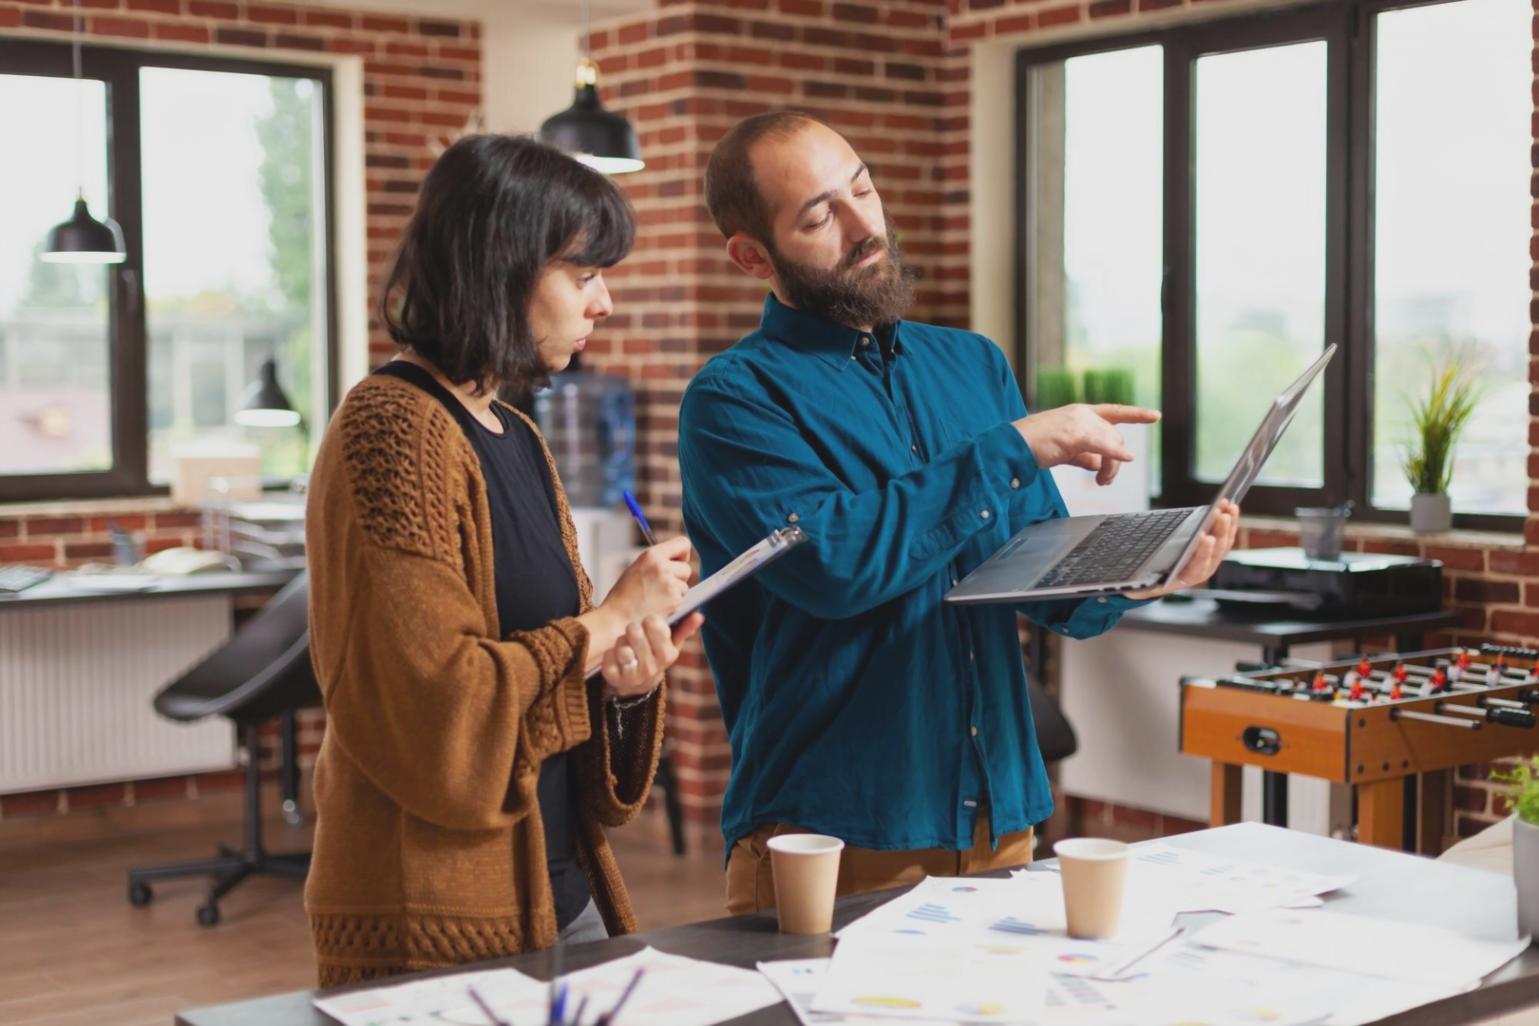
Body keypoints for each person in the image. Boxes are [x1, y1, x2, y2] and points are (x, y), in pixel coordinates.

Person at [677, 111, 1239, 914]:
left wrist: (1147, 571)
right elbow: (833, 565)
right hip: (830, 835)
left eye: (862, 188)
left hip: (1001, 822)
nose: (862, 224)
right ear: (749, 255)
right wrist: (1012, 448)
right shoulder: (733, 399)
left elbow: (1035, 567)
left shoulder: (972, 364)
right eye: (818, 215)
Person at [304, 134, 703, 984]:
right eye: (583, 274)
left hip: (556, 886)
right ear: (501, 266)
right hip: (436, 910)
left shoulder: (515, 433)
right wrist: (606, 619)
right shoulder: (392, 428)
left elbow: (543, 681)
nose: (604, 303)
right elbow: (434, 706)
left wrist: (622, 679)